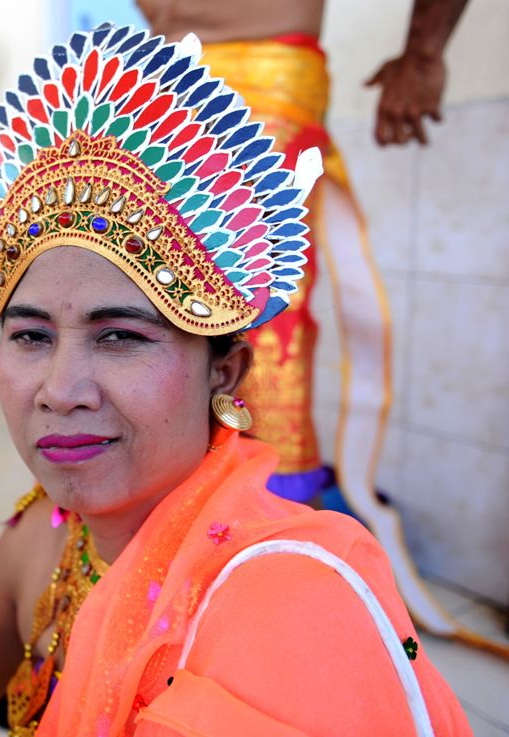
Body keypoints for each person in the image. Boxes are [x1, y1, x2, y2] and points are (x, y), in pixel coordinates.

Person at [0, 29, 470, 736]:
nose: (60, 388)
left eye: (121, 335)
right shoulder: (51, 530)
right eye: (30, 334)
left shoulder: (282, 595)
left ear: (222, 371)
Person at [134, 0, 478, 645]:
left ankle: (277, 578)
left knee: (261, 323)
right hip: (159, 85)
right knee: (161, 314)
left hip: (263, 73)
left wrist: (424, 51)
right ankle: (176, 561)